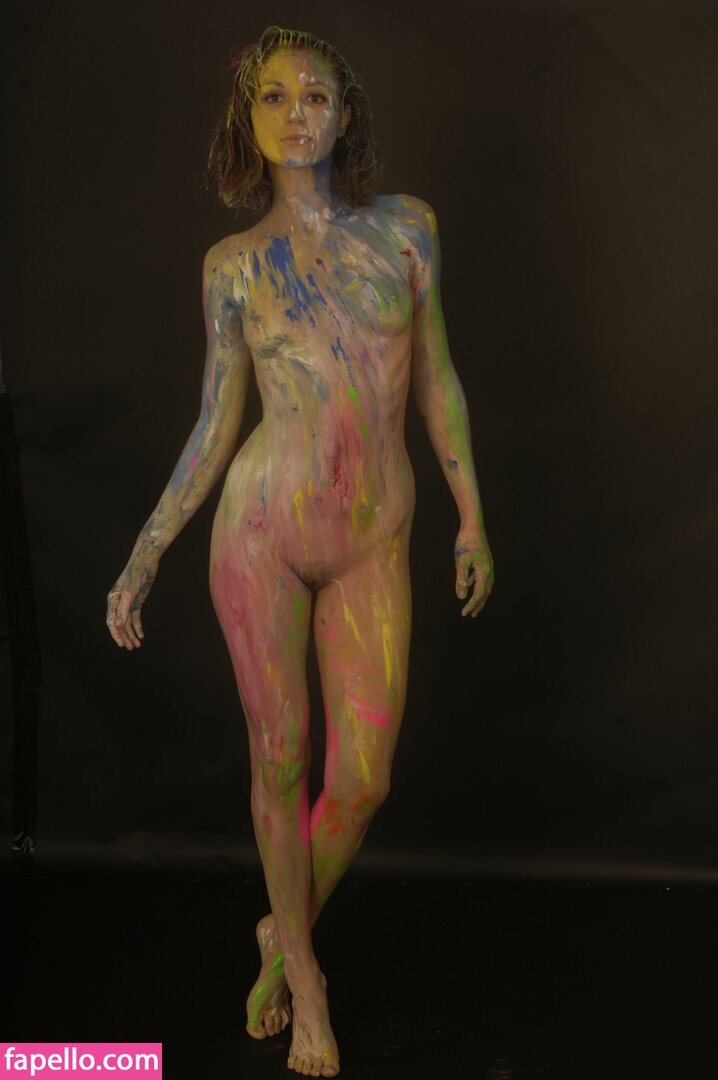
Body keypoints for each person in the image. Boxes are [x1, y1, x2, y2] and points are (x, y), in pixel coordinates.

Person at [106, 24, 494, 1079]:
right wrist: (145, 553)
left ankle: (281, 932)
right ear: (249, 118)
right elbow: (213, 423)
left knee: (361, 780)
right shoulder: (233, 267)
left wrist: (470, 513)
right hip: (261, 536)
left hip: (373, 538)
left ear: (344, 112)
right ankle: (306, 986)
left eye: (314, 95)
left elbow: (437, 379)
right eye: (273, 97)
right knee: (279, 762)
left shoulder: (407, 231)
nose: (295, 114)